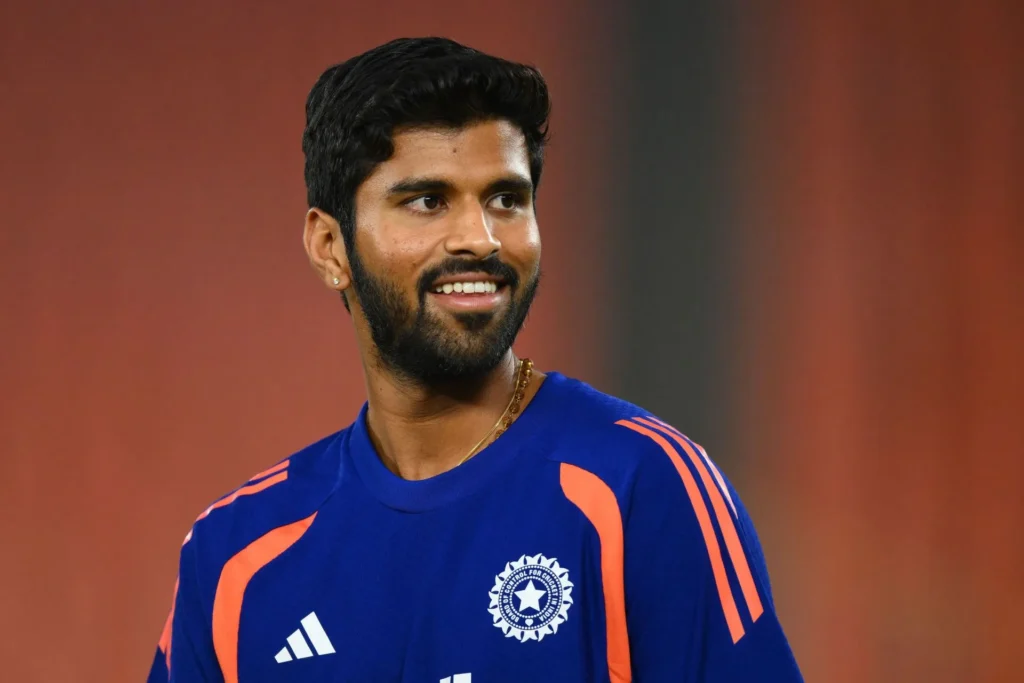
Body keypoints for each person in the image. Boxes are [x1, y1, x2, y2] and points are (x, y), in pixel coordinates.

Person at [147, 36, 802, 683]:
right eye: (428, 201)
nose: (480, 238)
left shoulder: (642, 488)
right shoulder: (235, 557)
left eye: (506, 200)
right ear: (329, 245)